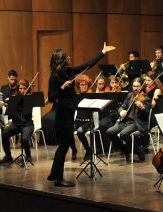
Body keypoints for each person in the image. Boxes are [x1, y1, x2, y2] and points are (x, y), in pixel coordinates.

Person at [47, 43, 115, 187]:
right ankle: (58, 179)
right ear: (61, 60)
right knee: (64, 146)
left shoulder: (69, 71)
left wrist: (102, 52)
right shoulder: (54, 77)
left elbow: (88, 65)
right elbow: (51, 97)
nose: (69, 57)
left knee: (64, 145)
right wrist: (61, 88)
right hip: (62, 114)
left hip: (69, 111)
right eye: (66, 57)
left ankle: (53, 174)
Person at [106, 77, 151, 162]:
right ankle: (124, 149)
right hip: (126, 121)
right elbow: (122, 106)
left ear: (142, 86)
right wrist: (121, 111)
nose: (135, 88)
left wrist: (142, 107)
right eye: (134, 86)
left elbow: (147, 113)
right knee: (109, 131)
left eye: (138, 86)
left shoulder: (146, 98)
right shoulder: (130, 95)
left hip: (136, 123)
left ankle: (137, 150)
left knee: (123, 134)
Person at [0, 79, 34, 165]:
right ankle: (8, 156)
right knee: (4, 134)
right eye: (20, 88)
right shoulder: (14, 98)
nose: (22, 90)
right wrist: (7, 122)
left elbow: (27, 113)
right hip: (16, 124)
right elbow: (9, 114)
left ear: (27, 89)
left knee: (25, 139)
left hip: (27, 124)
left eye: (24, 88)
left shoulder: (30, 98)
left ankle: (28, 155)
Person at [73, 74, 93, 161]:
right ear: (78, 86)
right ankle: (74, 150)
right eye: (82, 85)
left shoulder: (91, 96)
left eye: (86, 85)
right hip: (77, 121)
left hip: (88, 122)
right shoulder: (76, 96)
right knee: (66, 132)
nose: (84, 87)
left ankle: (88, 149)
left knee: (80, 131)